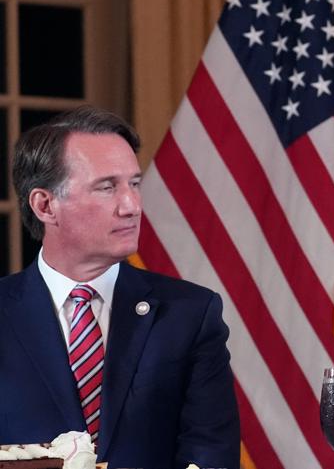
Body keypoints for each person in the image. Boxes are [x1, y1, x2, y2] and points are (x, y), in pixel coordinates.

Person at [0, 107, 240, 468]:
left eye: (134, 184)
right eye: (107, 187)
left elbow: (211, 456)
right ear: (45, 205)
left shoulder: (190, 314)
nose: (132, 206)